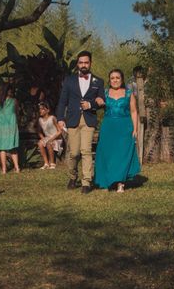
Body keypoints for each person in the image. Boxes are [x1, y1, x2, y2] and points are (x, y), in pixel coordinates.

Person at [56, 51, 106, 194]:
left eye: (86, 62)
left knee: (86, 150)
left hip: (89, 120)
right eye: (81, 62)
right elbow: (62, 101)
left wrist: (92, 105)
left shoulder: (98, 81)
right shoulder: (69, 80)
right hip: (72, 119)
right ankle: (72, 176)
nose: (84, 65)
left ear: (90, 63)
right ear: (77, 63)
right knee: (74, 152)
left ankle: (86, 181)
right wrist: (60, 118)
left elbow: (101, 101)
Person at [94, 69, 140, 192]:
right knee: (107, 154)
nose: (115, 80)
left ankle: (121, 183)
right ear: (109, 80)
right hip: (108, 126)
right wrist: (97, 101)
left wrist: (135, 129)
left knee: (122, 154)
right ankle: (106, 181)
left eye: (117, 78)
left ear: (122, 79)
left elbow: (134, 111)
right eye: (112, 78)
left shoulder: (129, 93)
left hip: (125, 127)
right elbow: (96, 103)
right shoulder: (104, 92)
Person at [0, 84, 20, 174]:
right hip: (11, 124)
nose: (12, 92)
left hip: (1, 124)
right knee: (12, 147)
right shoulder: (14, 101)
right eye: (10, 90)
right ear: (8, 91)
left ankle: (4, 169)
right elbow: (17, 112)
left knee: (2, 148)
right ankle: (16, 168)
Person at [36, 101, 62, 170]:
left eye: (42, 109)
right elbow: (39, 132)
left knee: (49, 143)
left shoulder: (52, 118)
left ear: (47, 110)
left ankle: (52, 163)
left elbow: (59, 131)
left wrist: (51, 139)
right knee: (40, 143)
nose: (40, 111)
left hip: (56, 138)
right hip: (48, 138)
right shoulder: (40, 120)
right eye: (39, 109)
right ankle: (46, 163)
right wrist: (43, 139)